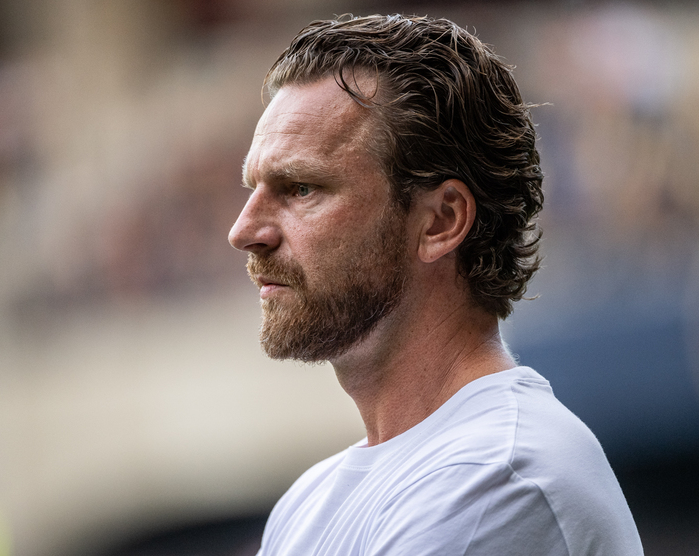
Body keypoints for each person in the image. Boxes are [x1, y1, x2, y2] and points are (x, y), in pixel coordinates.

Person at [228, 14, 643, 556]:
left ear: (441, 221)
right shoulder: (305, 505)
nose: (244, 232)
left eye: (301, 188)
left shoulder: (498, 477)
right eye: (253, 188)